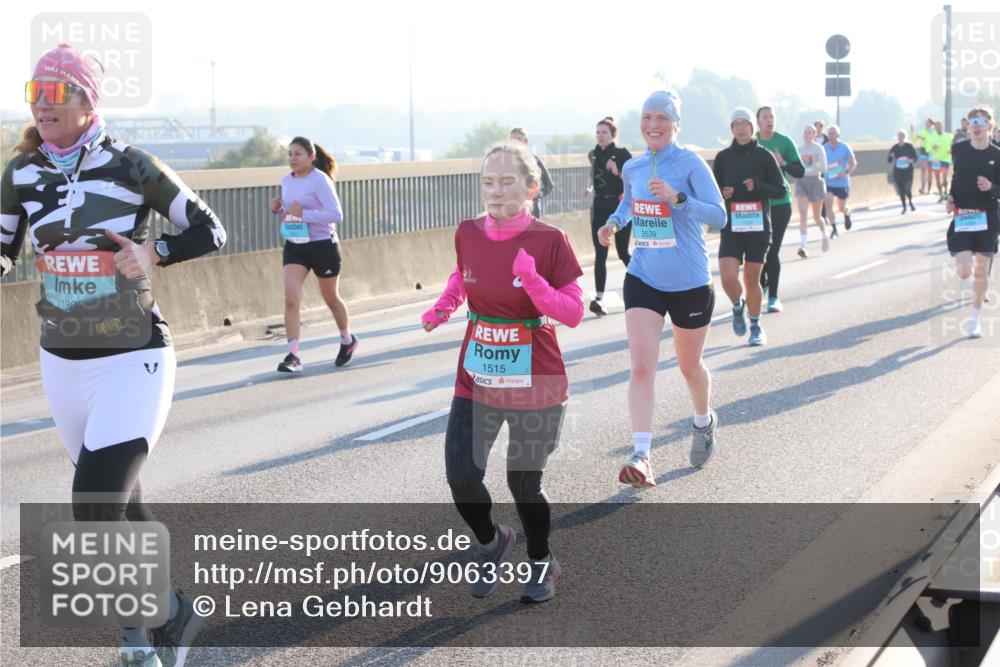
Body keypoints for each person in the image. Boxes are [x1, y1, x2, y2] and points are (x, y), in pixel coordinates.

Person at [1, 44, 226, 667]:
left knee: (94, 506)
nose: (41, 105)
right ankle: (171, 613)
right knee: (121, 506)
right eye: (33, 92)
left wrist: (151, 255)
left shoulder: (132, 166)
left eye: (54, 93)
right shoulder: (20, 173)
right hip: (62, 362)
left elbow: (211, 228)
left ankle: (135, 644)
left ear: (85, 100)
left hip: (133, 357)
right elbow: (2, 247)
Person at [421, 142, 584, 603]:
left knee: (523, 482)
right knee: (461, 476)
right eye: (488, 182)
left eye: (507, 182)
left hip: (538, 381)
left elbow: (572, 311)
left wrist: (533, 282)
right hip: (478, 375)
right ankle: (493, 542)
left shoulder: (550, 241)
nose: (495, 191)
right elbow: (463, 275)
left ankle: (541, 561)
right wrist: (444, 306)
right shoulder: (467, 233)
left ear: (532, 188)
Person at [596, 91, 726, 485]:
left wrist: (679, 197)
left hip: (689, 282)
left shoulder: (690, 163)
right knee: (641, 364)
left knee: (689, 367)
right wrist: (614, 224)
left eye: (661, 118)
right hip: (644, 277)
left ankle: (703, 421)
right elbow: (629, 206)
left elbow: (719, 215)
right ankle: (641, 454)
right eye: (647, 117)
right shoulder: (634, 167)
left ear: (675, 124)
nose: (653, 125)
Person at [269, 137, 357, 372]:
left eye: (297, 154)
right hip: (295, 244)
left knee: (331, 298)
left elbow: (336, 215)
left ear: (311, 157)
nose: (292, 159)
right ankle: (293, 355)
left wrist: (304, 214)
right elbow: (291, 212)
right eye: (289, 154)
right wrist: (280, 210)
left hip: (322, 245)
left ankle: (347, 340)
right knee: (291, 298)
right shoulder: (286, 180)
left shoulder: (320, 180)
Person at [714, 108, 786, 346]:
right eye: (736, 124)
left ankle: (755, 326)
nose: (741, 128)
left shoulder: (764, 156)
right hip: (732, 229)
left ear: (751, 127)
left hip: (757, 229)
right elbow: (711, 193)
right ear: (731, 129)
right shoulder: (723, 158)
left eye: (745, 123)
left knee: (751, 278)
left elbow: (781, 189)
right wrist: (723, 194)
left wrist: (758, 186)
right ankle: (738, 305)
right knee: (726, 278)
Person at [945, 105, 1000, 339]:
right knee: (964, 270)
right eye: (971, 121)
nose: (975, 125)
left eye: (980, 121)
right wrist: (950, 196)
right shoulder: (958, 149)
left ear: (990, 126)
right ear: (967, 127)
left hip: (987, 215)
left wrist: (992, 187)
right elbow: (956, 176)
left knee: (980, 273)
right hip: (964, 215)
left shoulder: (997, 155)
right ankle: (965, 282)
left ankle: (974, 321)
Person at [755, 106, 804, 313]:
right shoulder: (751, 141)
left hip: (780, 203)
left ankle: (773, 296)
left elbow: (800, 171)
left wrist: (782, 162)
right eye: (765, 117)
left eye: (772, 117)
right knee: (757, 251)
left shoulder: (784, 142)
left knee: (772, 250)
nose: (769, 120)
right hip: (755, 204)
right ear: (757, 121)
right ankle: (762, 282)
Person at [586, 116, 633, 316]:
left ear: (613, 134)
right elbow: (595, 176)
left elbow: (633, 182)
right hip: (599, 205)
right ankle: (599, 298)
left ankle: (646, 282)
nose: (600, 136)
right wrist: (589, 187)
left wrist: (618, 172)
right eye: (598, 132)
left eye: (604, 132)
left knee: (623, 252)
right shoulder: (593, 154)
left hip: (620, 205)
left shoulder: (622, 154)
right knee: (600, 253)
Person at [795, 125, 829, 257]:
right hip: (802, 182)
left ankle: (825, 233)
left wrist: (815, 165)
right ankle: (803, 245)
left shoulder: (818, 148)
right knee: (803, 215)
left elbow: (825, 168)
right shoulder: (799, 149)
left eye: (810, 132)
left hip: (816, 181)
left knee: (816, 216)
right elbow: (796, 165)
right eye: (805, 132)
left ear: (814, 134)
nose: (807, 134)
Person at [510, 128, 554, 218]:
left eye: (518, 139)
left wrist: (537, 195)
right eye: (512, 140)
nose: (514, 143)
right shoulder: (505, 161)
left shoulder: (535, 160)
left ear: (526, 141)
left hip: (532, 210)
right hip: (512, 209)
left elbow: (549, 185)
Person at [823, 125, 857, 233]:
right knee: (828, 204)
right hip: (829, 181)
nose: (831, 135)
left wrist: (845, 172)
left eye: (833, 133)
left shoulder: (845, 147)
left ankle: (847, 213)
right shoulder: (824, 148)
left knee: (841, 208)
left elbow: (853, 163)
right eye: (829, 133)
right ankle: (834, 228)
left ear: (838, 135)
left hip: (842, 182)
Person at [888, 131, 918, 215]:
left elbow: (915, 158)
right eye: (898, 136)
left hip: (908, 171)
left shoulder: (909, 146)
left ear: (905, 137)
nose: (900, 137)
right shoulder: (894, 147)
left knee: (907, 188)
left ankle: (911, 202)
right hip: (898, 171)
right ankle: (904, 207)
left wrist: (910, 160)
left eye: (902, 136)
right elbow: (889, 160)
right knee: (901, 190)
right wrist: (891, 156)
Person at [928, 121, 954, 202]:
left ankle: (946, 192)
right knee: (937, 179)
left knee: (945, 178)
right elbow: (928, 149)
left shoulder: (949, 136)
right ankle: (941, 195)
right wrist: (933, 148)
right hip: (936, 160)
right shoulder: (931, 137)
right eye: (937, 126)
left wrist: (951, 150)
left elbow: (954, 146)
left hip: (946, 159)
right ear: (935, 128)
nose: (938, 128)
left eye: (940, 126)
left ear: (942, 126)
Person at [914, 118, 934, 194]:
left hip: (931, 151)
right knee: (923, 169)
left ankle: (929, 188)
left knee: (930, 171)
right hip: (923, 151)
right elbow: (915, 139)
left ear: (931, 124)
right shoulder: (923, 131)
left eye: (927, 123)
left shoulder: (934, 132)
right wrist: (913, 132)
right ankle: (922, 187)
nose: (926, 124)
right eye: (925, 123)